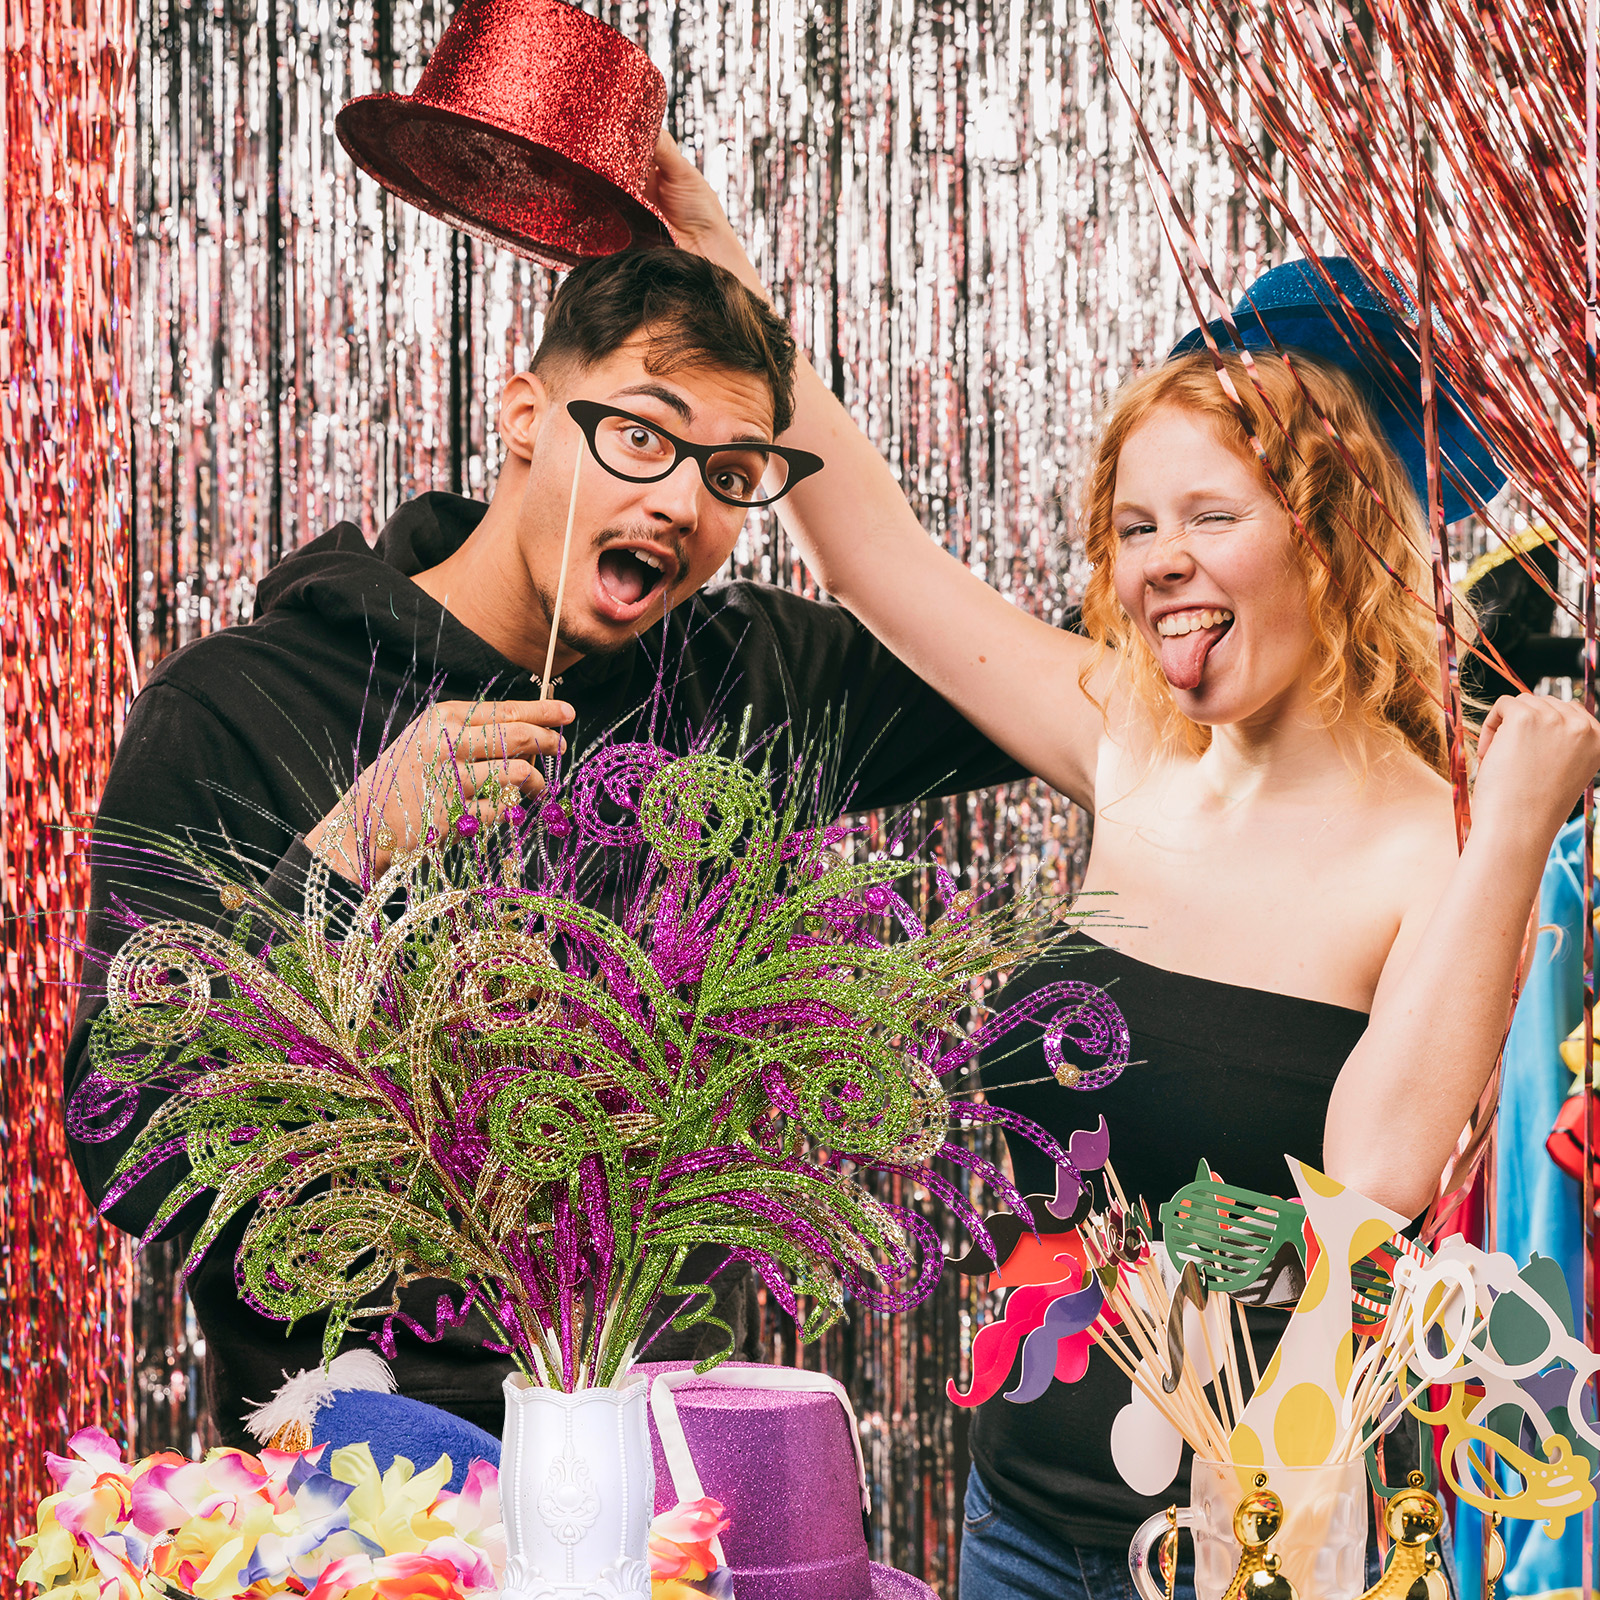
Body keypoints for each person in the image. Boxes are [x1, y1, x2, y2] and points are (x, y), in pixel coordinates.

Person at [655, 137, 1600, 1597]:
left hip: (1256, 1553)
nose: (1158, 560)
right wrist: (714, 248)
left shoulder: (1443, 847)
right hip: (1016, 1528)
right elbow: (875, 562)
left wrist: (1522, 826)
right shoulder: (1130, 741)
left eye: (1211, 517)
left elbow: (1373, 1187)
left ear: (1337, 541)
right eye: (1138, 524)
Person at [65, 245, 1025, 1450]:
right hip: (357, 1489)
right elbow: (124, 1135)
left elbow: (1046, 688)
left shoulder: (745, 681)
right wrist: (343, 860)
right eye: (640, 436)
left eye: (731, 474)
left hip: (661, 1474)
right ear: (525, 414)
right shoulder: (238, 703)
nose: (680, 504)